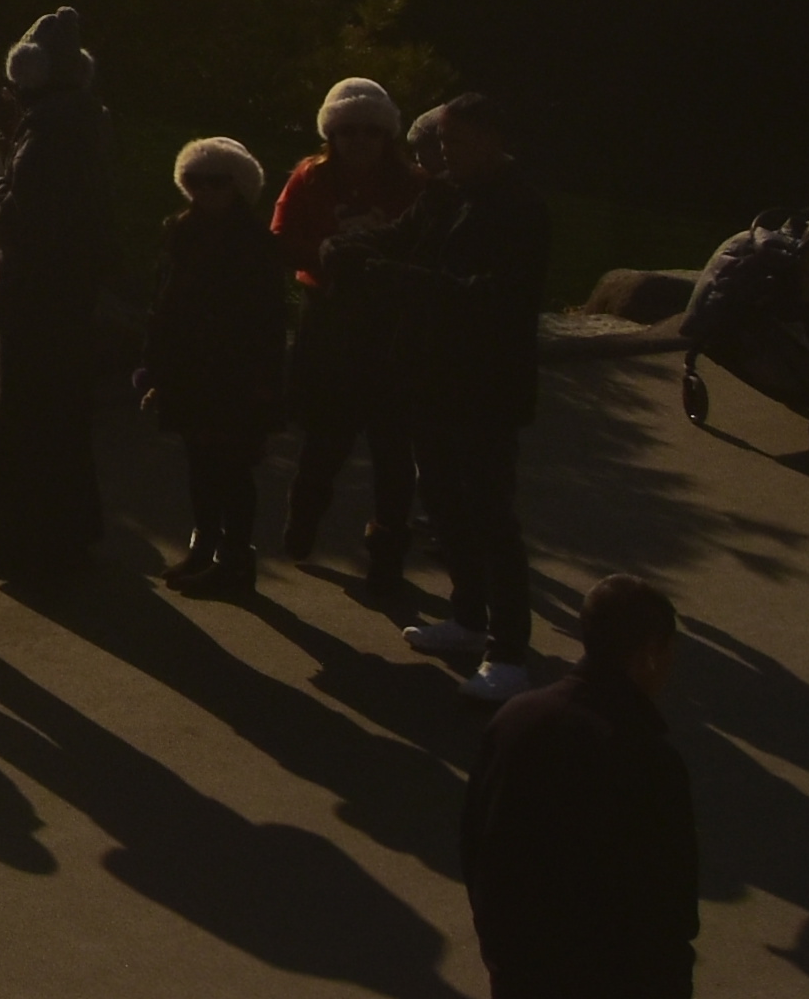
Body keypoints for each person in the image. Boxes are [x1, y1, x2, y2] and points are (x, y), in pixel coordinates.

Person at [388, 95, 556, 700]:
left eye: (453, 142)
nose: (441, 153)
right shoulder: (443, 191)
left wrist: (417, 284)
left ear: (489, 140)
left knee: (490, 512)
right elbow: (399, 238)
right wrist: (355, 250)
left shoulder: (522, 209)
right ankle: (467, 616)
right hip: (430, 375)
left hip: (487, 384)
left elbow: (500, 298)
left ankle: (508, 651)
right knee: (441, 500)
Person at [461, 574, 697, 999]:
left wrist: (496, 941)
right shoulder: (644, 756)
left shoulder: (516, 719)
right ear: (649, 654)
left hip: (519, 966)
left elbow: (475, 836)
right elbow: (666, 899)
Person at [0, 5, 113, 581]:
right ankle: (69, 535)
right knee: (64, 417)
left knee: (25, 419)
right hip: (74, 290)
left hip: (34, 298)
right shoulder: (88, 120)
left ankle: (26, 546)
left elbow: (17, 217)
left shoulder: (47, 129)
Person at [275, 75, 424, 585]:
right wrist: (321, 253)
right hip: (330, 317)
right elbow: (281, 236)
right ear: (331, 134)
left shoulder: (413, 184)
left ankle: (387, 548)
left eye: (371, 130)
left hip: (390, 325)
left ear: (388, 136)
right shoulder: (309, 177)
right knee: (324, 438)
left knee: (392, 449)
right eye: (348, 129)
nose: (359, 139)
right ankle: (302, 521)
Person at [145, 137, 297, 597]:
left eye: (218, 182)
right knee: (199, 463)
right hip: (189, 368)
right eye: (195, 180)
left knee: (231, 468)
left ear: (239, 187)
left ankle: (235, 561)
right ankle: (204, 545)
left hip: (236, 371)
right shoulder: (179, 232)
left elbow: (271, 320)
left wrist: (265, 384)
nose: (205, 190)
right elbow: (163, 306)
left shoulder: (254, 244)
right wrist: (154, 368)